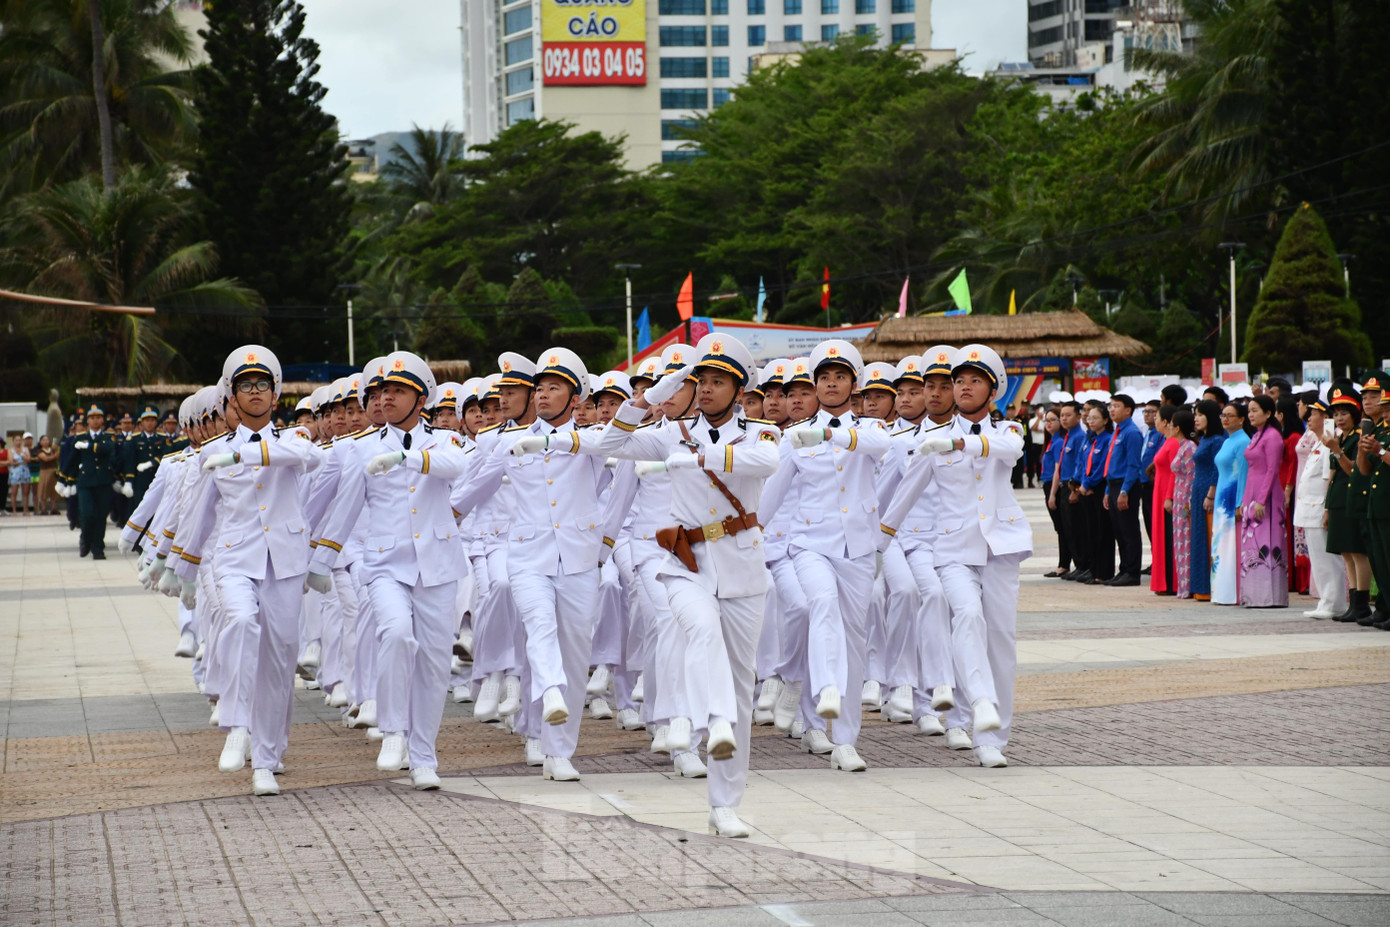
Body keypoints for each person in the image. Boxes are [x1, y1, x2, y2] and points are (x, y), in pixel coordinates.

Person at [309, 353, 467, 786]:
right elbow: (345, 508)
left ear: (420, 399)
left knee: (434, 663)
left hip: (437, 565)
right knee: (395, 633)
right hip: (384, 564)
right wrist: (321, 561)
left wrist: (408, 460)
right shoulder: (362, 448)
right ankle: (394, 730)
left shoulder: (445, 441)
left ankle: (424, 756)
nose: (386, 399)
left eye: (397, 391)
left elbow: (459, 468)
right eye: (380, 392)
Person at [171, 346, 321, 796]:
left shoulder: (296, 441)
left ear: (275, 396)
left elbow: (305, 461)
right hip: (236, 557)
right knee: (238, 620)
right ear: (232, 397)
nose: (254, 392)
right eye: (244, 385)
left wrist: (242, 459)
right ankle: (237, 724)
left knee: (278, 660)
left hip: (286, 561)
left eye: (262, 385)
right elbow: (200, 514)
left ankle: (267, 759)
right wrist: (183, 569)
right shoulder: (211, 453)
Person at [879, 343, 1031, 769]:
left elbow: (1009, 454)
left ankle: (993, 737)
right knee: (965, 616)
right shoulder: (931, 441)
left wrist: (962, 443)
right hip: (952, 550)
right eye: (958, 381)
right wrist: (876, 543)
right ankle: (975, 707)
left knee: (1000, 640)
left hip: (1000, 546)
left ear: (992, 391)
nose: (964, 388)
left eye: (973, 381)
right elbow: (902, 497)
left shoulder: (1008, 432)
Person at [1325, 385, 1372, 623]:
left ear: (1355, 414)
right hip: (1338, 499)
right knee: (1345, 552)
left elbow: (1355, 470)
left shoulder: (1356, 438)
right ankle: (1353, 601)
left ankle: (1362, 602)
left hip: (1353, 498)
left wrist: (1336, 451)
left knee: (1357, 551)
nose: (1339, 418)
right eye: (1335, 414)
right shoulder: (1340, 438)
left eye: (1344, 413)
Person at [1239, 395, 1289, 608]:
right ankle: (1254, 594)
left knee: (1267, 544)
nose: (1250, 414)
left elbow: (1272, 470)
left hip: (1266, 497)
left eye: (1255, 410)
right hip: (1252, 493)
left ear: (1268, 413)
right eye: (1249, 410)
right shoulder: (1257, 435)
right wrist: (1245, 500)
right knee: (1252, 544)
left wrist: (1261, 500)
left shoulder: (1273, 437)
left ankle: (1271, 596)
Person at [1298, 398, 1346, 619]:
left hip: (1319, 507)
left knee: (1327, 558)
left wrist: (1328, 510)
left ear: (1325, 417)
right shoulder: (1318, 442)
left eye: (1313, 413)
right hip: (1309, 507)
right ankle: (1326, 601)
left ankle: (1334, 602)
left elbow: (1330, 479)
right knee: (1317, 558)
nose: (1309, 417)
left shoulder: (1329, 443)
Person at [1102, 394, 1144, 586]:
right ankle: (1124, 569)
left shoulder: (1132, 433)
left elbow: (1133, 465)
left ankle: (1132, 571)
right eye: (1111, 406)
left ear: (1128, 410)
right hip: (1113, 485)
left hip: (1125, 485)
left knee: (1129, 530)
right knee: (1118, 530)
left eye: (1116, 406)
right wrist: (1107, 492)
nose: (1112, 410)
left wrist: (1125, 491)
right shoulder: (1117, 431)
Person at [1212, 402, 1251, 604]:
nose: (1225, 419)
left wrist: (1240, 503)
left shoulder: (1243, 441)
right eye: (1223, 415)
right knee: (1221, 545)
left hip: (1231, 498)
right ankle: (1221, 591)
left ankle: (1232, 593)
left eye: (1230, 415)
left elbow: (1244, 474)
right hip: (1221, 497)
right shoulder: (1227, 441)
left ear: (1242, 419)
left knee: (1230, 546)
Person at [71, 406, 120, 558]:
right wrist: (65, 480)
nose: (95, 420)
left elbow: (108, 448)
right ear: (88, 421)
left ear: (103, 420)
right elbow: (72, 460)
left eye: (98, 417)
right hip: (85, 482)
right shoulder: (80, 438)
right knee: (87, 514)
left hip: (103, 481)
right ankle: (85, 539)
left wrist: (90, 446)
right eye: (92, 418)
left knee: (100, 517)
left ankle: (98, 548)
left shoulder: (108, 436)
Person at [1190, 401, 1224, 602]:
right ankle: (1198, 586)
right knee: (1199, 537)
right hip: (1198, 489)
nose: (1196, 418)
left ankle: (1208, 586)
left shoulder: (1218, 440)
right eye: (1195, 415)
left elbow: (1217, 469)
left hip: (1208, 492)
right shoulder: (1204, 439)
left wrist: (1211, 493)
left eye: (1200, 415)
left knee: (1208, 537)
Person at [1079, 401, 1114, 584]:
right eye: (1089, 417)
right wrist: (1084, 484)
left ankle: (1104, 571)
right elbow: (1085, 464)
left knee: (1103, 531)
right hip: (1087, 488)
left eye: (1095, 418)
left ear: (1105, 420)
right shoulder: (1092, 439)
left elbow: (1102, 468)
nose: (1090, 421)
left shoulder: (1107, 438)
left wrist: (1090, 483)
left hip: (1099, 488)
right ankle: (1093, 569)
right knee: (1090, 531)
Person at [1276, 397, 1308, 594]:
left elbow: (1293, 465)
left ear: (1281, 415)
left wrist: (1288, 489)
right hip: (1282, 485)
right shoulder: (1286, 435)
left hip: (1289, 487)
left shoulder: (1295, 436)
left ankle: (1298, 580)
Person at [1149, 406, 1180, 595]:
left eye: (1157, 418)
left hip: (1167, 492)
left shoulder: (1174, 443)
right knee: (1161, 536)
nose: (1155, 421)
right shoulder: (1166, 441)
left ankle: (1170, 581)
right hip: (1159, 490)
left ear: (1166, 422)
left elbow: (1175, 473)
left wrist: (1169, 496)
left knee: (1168, 536)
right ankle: (1163, 581)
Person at [1169, 410, 1198, 598]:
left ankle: (1188, 585)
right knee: (1179, 542)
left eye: (1171, 424)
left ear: (1178, 428)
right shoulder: (1182, 446)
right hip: (1178, 497)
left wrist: (1188, 501)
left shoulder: (1189, 447)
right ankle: (1182, 585)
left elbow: (1191, 476)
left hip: (1185, 499)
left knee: (1186, 542)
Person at [1040, 407, 1070, 577]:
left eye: (1052, 420)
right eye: (1046, 420)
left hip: (1055, 486)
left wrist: (1052, 494)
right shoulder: (1052, 441)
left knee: (1062, 527)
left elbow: (1057, 470)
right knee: (1060, 527)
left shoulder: (1059, 441)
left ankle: (1064, 564)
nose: (1048, 423)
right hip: (1048, 485)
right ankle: (1063, 562)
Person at [35, 435, 59, 515]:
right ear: (40, 442)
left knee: (53, 490)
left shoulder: (52, 450)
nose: (46, 441)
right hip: (44, 471)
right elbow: (45, 459)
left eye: (47, 440)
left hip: (53, 471)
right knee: (43, 490)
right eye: (44, 440)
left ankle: (53, 508)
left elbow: (58, 456)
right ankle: (43, 508)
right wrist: (54, 456)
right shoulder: (40, 451)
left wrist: (56, 451)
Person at [6, 434, 30, 515]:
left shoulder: (25, 449)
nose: (18, 442)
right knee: (14, 492)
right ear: (13, 441)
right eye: (16, 440)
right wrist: (20, 462)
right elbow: (11, 462)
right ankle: (14, 510)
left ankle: (25, 510)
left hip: (25, 471)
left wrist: (22, 455)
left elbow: (28, 459)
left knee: (25, 492)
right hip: (15, 472)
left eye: (20, 440)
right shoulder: (10, 450)